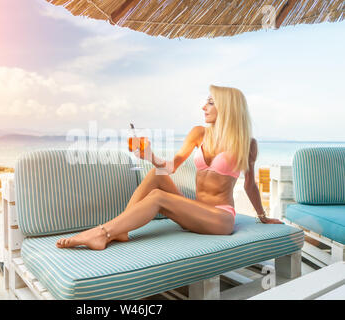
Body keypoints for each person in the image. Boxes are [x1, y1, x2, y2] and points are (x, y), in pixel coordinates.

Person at [57, 84, 282, 250]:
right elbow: (170, 167)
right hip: (195, 210)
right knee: (157, 174)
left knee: (157, 197)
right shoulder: (198, 133)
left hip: (220, 219)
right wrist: (151, 156)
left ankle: (103, 232)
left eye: (211, 102)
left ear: (228, 108)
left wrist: (262, 216)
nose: (204, 106)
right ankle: (121, 230)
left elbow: (251, 185)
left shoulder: (247, 144)